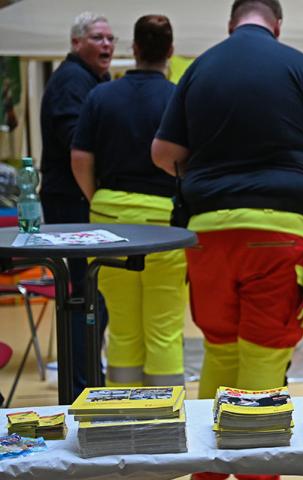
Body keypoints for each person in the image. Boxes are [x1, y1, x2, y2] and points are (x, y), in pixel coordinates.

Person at [152, 2, 303, 476]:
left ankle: (207, 471)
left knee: (219, 350)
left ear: (231, 24)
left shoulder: (199, 69)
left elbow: (162, 153)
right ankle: (256, 470)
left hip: (208, 236)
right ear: (277, 25)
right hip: (277, 236)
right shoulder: (300, 67)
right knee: (263, 358)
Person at [70, 15, 186, 388]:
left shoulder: (100, 96)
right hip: (165, 223)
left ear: (133, 49)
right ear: (170, 51)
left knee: (121, 324)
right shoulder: (178, 98)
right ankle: (166, 412)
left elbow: (80, 159)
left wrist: (100, 200)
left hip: (110, 220)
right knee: (164, 325)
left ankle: (122, 410)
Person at [39, 11, 114, 397]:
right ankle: (83, 385)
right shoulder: (72, 81)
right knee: (85, 294)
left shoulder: (94, 80)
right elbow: (78, 145)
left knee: (92, 293)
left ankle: (88, 378)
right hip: (71, 201)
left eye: (110, 38)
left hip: (77, 198)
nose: (107, 44)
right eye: (98, 38)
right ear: (76, 42)